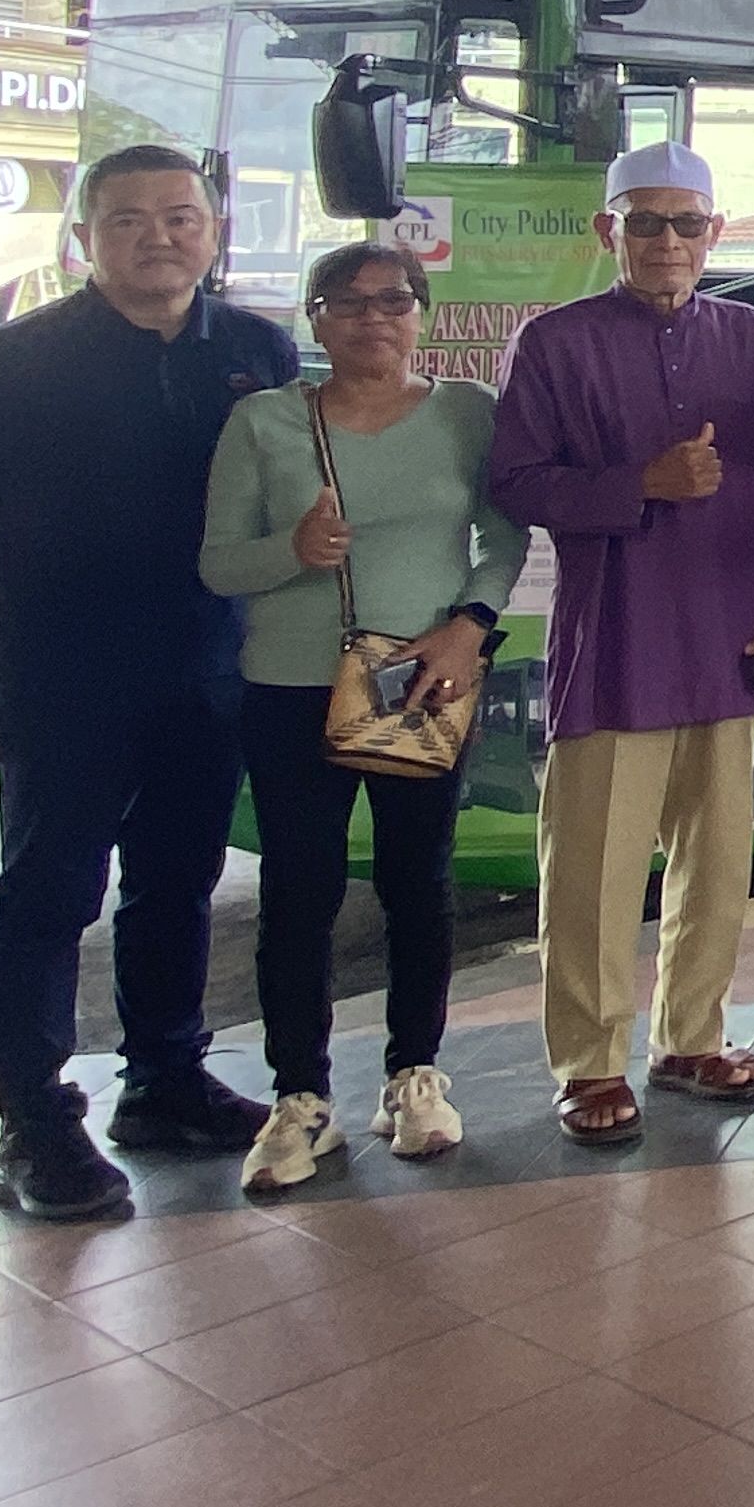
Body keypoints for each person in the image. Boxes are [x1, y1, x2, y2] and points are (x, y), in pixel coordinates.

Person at [0, 146, 299, 1219]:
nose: (158, 236)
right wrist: (47, 600)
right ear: (84, 240)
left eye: (181, 216)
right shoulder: (10, 364)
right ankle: (31, 1124)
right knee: (47, 896)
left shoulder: (258, 352)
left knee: (176, 884)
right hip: (62, 681)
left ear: (214, 232)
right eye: (127, 220)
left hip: (207, 670)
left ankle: (164, 1081)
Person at [488, 142, 754, 1146]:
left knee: (717, 858)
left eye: (686, 223)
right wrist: (639, 484)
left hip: (731, 632)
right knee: (593, 865)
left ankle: (690, 1038)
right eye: (645, 222)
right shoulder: (555, 343)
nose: (667, 241)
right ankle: (590, 1062)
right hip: (617, 637)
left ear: (715, 233)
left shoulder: (752, 338)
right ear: (610, 231)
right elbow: (516, 482)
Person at [201, 242, 531, 1190]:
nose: (373, 318)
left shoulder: (467, 410)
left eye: (394, 300)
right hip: (291, 689)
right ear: (314, 319)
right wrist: (293, 550)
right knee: (299, 894)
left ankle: (413, 1076)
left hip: (421, 684)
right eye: (346, 303)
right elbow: (218, 565)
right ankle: (301, 1100)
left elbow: (503, 537)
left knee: (417, 883)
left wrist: (469, 627)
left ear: (421, 313)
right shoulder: (264, 421)